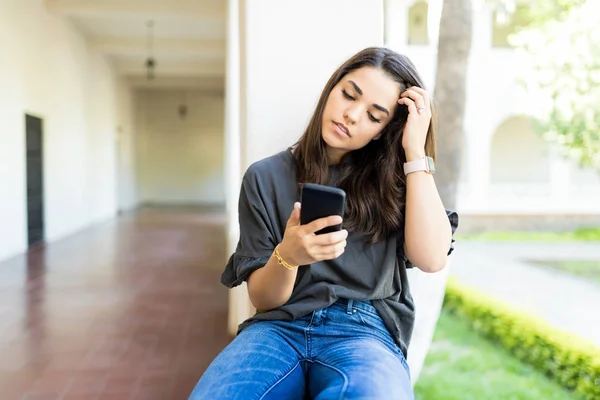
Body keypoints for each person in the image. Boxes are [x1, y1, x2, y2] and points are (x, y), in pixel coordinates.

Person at [189, 46, 459, 400]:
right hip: (279, 328)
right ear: (332, 88)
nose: (351, 115)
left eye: (374, 116)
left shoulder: (397, 182)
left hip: (364, 330)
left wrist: (414, 150)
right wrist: (288, 256)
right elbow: (264, 299)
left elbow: (432, 258)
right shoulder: (265, 177)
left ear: (382, 131)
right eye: (349, 94)